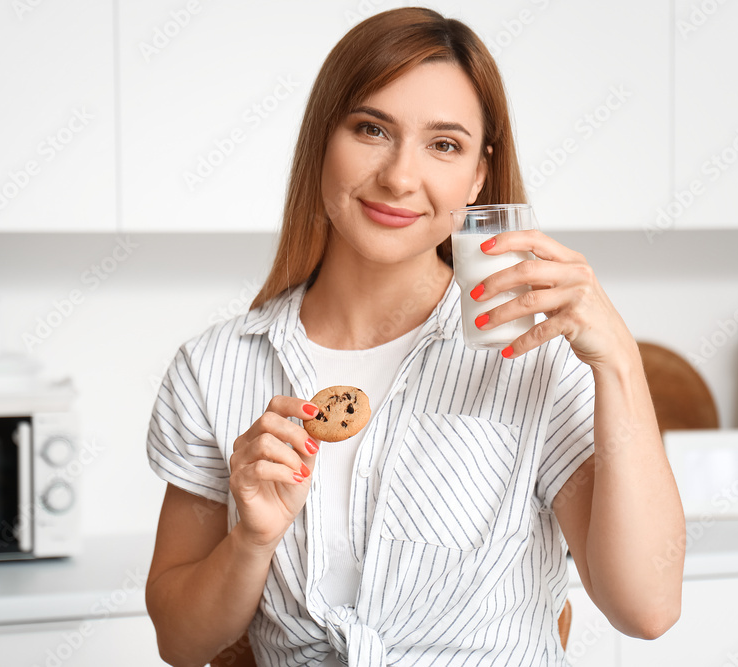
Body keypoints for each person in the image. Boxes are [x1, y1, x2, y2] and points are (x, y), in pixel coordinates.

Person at [145, 7, 685, 666]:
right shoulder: (214, 369)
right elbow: (180, 639)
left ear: (479, 176)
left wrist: (619, 361)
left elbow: (647, 607)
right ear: (322, 139)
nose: (401, 177)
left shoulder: (532, 354)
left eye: (445, 144)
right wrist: (251, 539)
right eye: (371, 129)